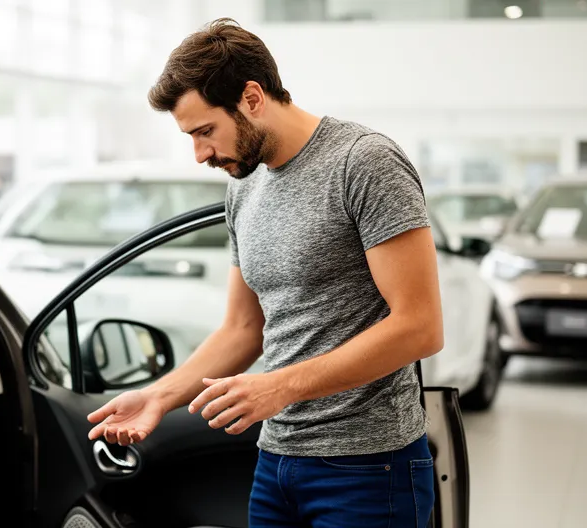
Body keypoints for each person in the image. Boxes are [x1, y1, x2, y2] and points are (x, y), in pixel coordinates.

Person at [86, 18, 445, 527]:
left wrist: (280, 386)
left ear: (252, 98)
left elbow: (420, 326)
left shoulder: (364, 163)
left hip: (369, 467)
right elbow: (242, 328)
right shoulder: (244, 186)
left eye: (205, 131)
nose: (200, 154)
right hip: (276, 461)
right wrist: (158, 397)